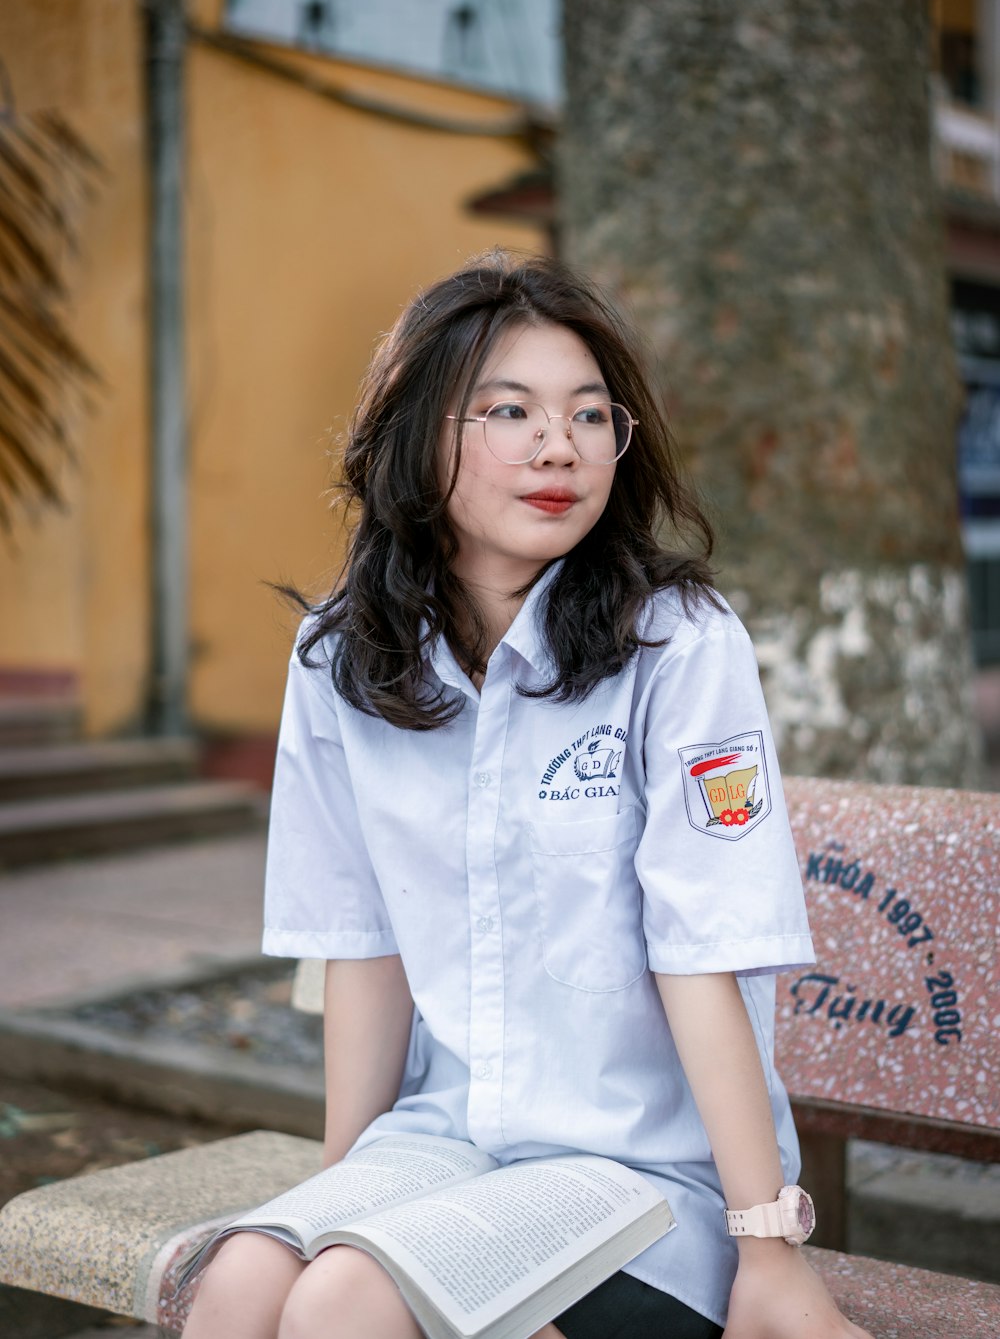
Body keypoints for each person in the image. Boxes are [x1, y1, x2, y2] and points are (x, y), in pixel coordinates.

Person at [182, 251, 871, 1339]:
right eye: (511, 410)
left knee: (349, 1305)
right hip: (447, 1141)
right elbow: (364, 946)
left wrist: (767, 1242)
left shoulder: (676, 644)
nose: (560, 445)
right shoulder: (341, 659)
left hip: (640, 1172)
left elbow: (702, 950)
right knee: (242, 1285)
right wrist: (340, 1200)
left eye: (591, 416)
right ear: (419, 437)